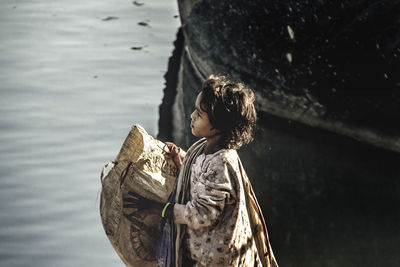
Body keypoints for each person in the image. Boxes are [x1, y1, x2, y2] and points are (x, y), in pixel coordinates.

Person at [157, 75, 278, 267]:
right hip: (205, 253)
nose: (192, 116)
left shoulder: (221, 164)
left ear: (218, 125)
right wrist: (180, 160)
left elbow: (203, 213)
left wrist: (166, 211)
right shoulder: (206, 151)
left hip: (219, 260)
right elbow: (200, 186)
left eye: (199, 113)